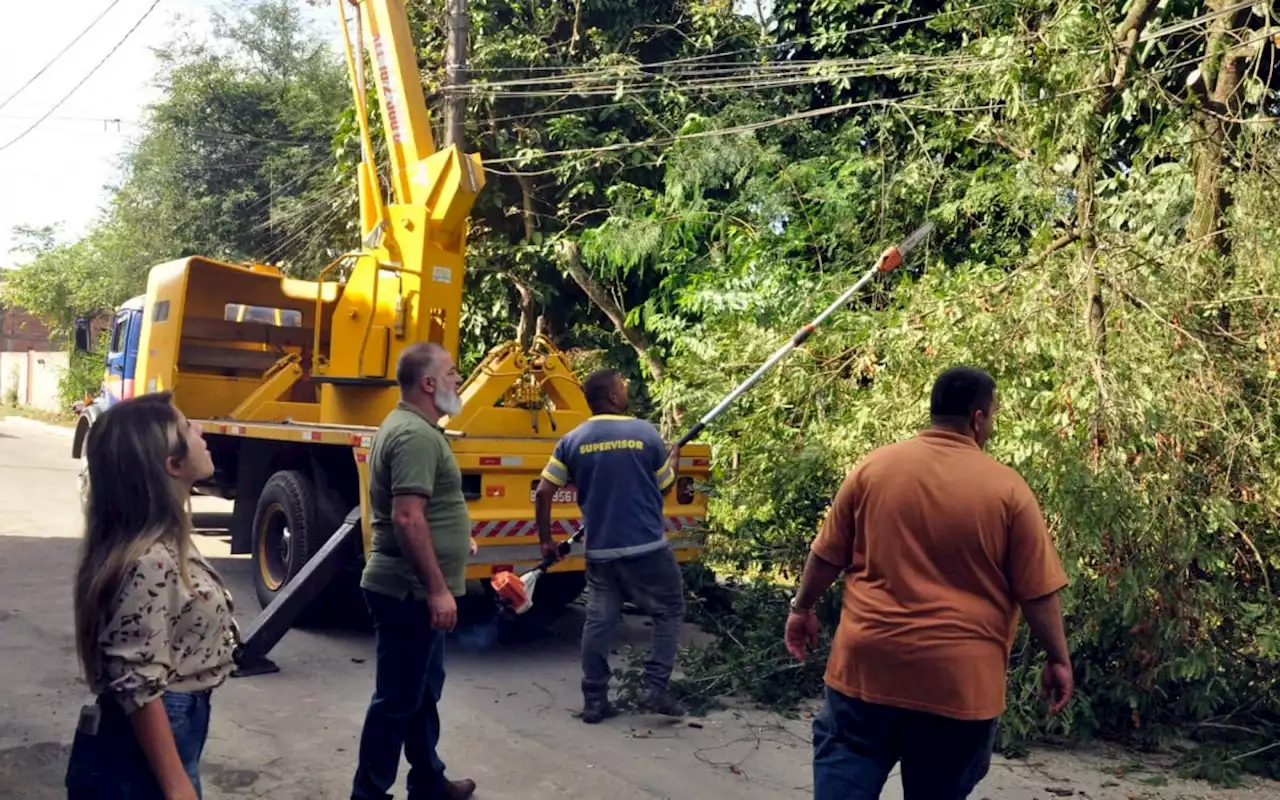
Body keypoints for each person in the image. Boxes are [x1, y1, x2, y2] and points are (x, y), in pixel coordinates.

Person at [785, 366, 1072, 800]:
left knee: (845, 772)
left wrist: (801, 609)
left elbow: (826, 555)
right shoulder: (1008, 490)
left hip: (868, 667)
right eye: (991, 417)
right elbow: (1037, 593)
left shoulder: (874, 468)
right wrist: (1058, 659)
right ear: (977, 419)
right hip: (958, 683)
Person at [65, 392, 238, 800]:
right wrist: (178, 787)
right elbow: (137, 685)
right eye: (188, 428)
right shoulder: (151, 561)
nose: (200, 432)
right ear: (172, 465)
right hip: (151, 737)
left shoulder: (163, 543)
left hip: (178, 720)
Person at [351, 342, 476, 800]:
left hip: (414, 589)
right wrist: (438, 589)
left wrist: (455, 536)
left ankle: (428, 780)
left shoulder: (412, 427)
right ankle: (367, 794)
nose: (458, 380)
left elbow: (421, 510)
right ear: (428, 383)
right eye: (451, 373)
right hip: (408, 593)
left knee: (422, 693)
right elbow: (406, 517)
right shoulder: (416, 436)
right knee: (396, 701)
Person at [535, 368, 685, 724]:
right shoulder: (644, 434)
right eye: (624, 385)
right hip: (646, 548)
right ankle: (654, 685)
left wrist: (546, 540)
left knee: (599, 620)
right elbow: (663, 485)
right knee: (670, 609)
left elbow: (543, 491)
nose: (626, 389)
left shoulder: (572, 441)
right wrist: (673, 460)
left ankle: (594, 700)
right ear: (614, 397)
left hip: (601, 551)